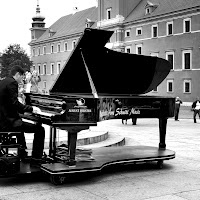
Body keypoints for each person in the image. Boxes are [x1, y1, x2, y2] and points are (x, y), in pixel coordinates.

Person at [0, 65, 45, 164]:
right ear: (17, 74)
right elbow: (15, 103)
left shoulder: (3, 82)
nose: (23, 79)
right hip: (9, 123)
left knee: (21, 125)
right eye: (22, 76)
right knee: (40, 129)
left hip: (3, 120)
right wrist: (31, 108)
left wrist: (24, 115)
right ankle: (36, 158)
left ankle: (23, 153)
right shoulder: (12, 83)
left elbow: (9, 105)